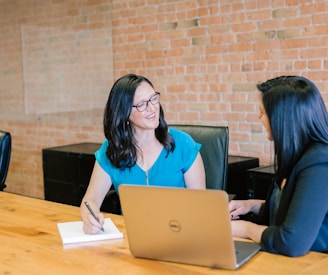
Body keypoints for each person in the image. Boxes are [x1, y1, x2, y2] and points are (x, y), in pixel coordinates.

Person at [80, 73, 206, 234]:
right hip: (131, 237)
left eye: (154, 99)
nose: (152, 108)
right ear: (124, 113)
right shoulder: (111, 151)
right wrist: (90, 218)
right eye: (141, 104)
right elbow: (90, 200)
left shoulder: (183, 145)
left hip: (178, 234)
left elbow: (201, 206)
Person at [229, 75, 328, 256]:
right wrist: (253, 205)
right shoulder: (299, 156)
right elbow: (297, 208)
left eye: (263, 112)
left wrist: (245, 229)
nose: (259, 117)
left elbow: (291, 242)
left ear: (283, 119)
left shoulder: (319, 164)